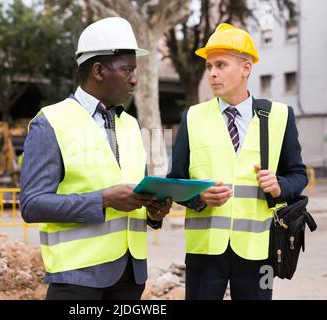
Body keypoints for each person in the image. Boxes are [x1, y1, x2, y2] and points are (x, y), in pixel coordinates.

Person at [20, 17, 172, 300]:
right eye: (127, 69)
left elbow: (136, 193)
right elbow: (32, 204)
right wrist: (103, 200)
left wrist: (154, 210)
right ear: (99, 70)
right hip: (78, 279)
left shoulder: (129, 125)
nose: (135, 79)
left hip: (130, 276)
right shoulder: (51, 122)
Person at [167, 23, 307, 300]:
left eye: (221, 64)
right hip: (205, 250)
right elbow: (174, 181)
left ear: (246, 68)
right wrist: (198, 195)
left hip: (259, 249)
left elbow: (298, 174)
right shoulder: (192, 118)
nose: (212, 73)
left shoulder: (280, 116)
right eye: (209, 66)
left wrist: (280, 186)